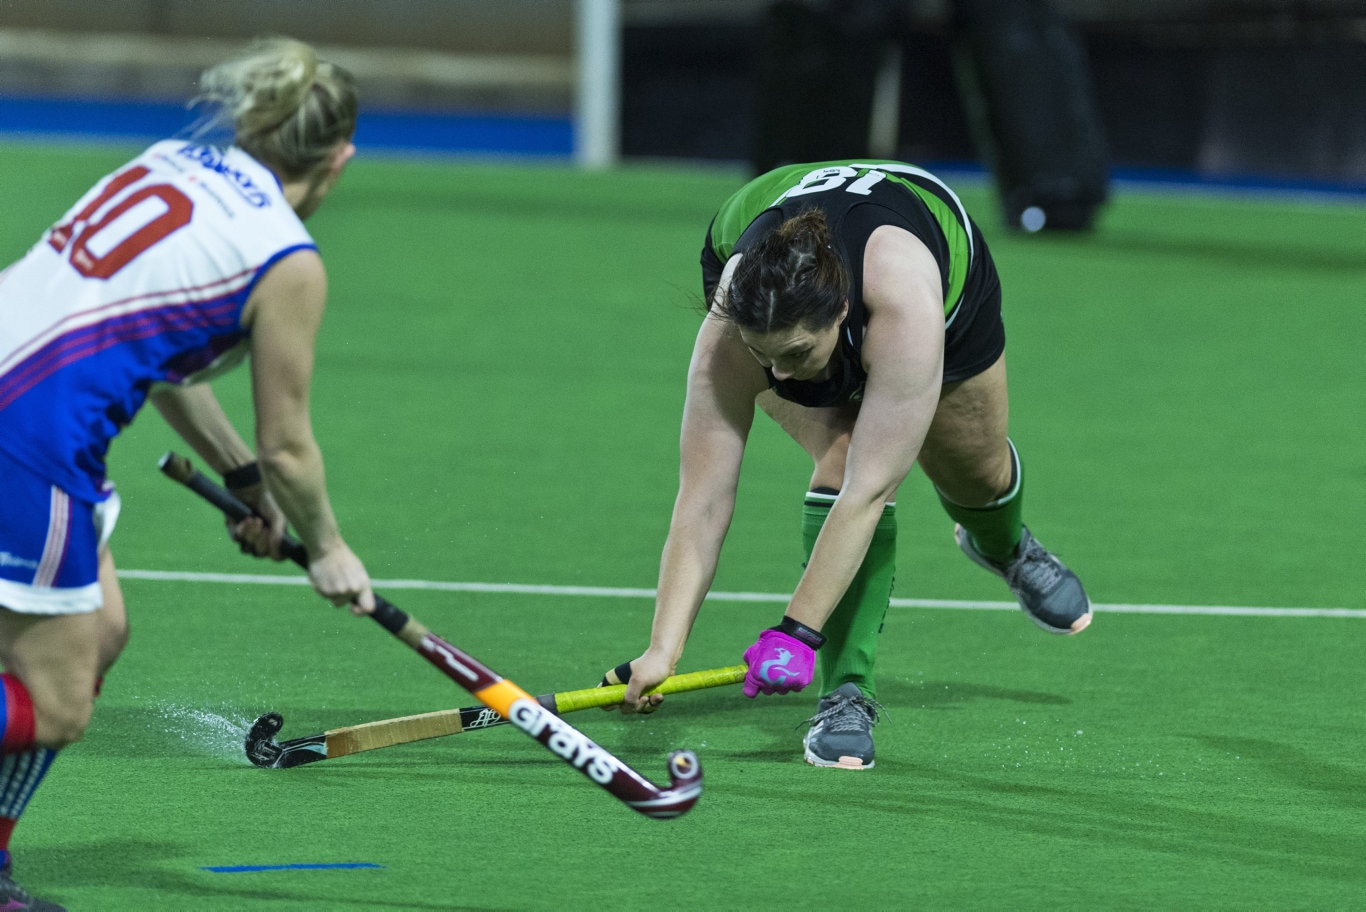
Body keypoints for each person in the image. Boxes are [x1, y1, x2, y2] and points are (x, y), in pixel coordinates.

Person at [0, 38, 375, 909]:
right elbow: (290, 444)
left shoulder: (170, 164)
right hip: (27, 442)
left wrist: (245, 491)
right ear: (340, 158)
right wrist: (328, 548)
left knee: (103, 634)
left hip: (20, 409)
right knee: (56, 708)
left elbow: (164, 369)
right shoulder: (287, 260)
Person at [611, 160, 1091, 771]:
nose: (779, 378)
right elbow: (703, 495)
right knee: (838, 454)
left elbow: (871, 489)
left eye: (793, 355)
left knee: (974, 471)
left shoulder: (905, 300)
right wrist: (663, 648)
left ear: (840, 311)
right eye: (766, 359)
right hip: (774, 262)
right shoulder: (738, 322)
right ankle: (847, 694)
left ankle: (1003, 545)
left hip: (941, 273)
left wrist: (796, 632)